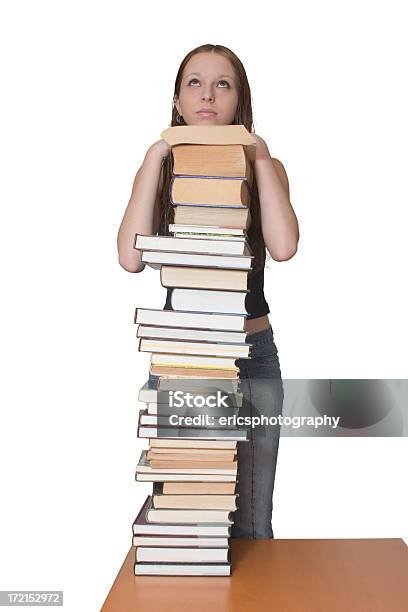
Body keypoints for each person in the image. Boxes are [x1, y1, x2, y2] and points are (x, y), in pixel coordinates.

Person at [117, 44, 299, 538]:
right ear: (176, 100)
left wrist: (258, 156)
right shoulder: (161, 169)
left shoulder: (268, 168)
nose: (208, 95)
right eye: (194, 82)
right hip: (186, 361)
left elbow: (282, 248)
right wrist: (157, 155)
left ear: (239, 102)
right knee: (190, 509)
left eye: (223, 84)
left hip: (253, 354)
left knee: (252, 518)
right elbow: (130, 258)